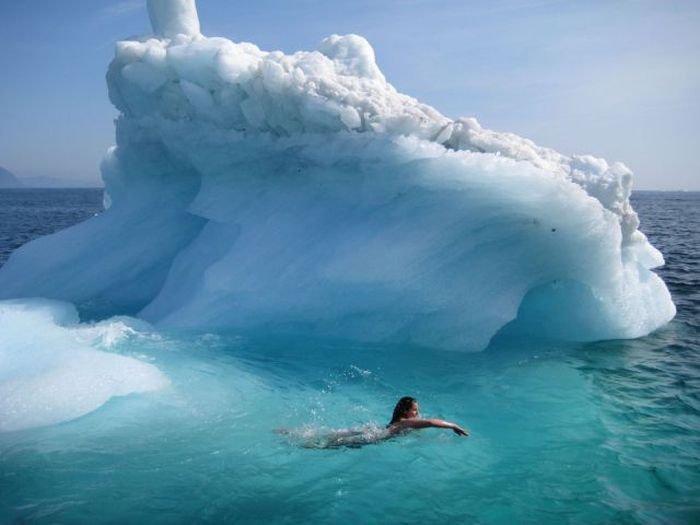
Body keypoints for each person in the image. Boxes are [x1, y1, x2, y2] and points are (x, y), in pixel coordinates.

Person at [386, 396, 469, 436]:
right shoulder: (405, 422)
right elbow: (431, 422)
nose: (417, 413)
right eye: (414, 410)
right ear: (405, 411)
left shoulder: (397, 422)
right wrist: (454, 426)